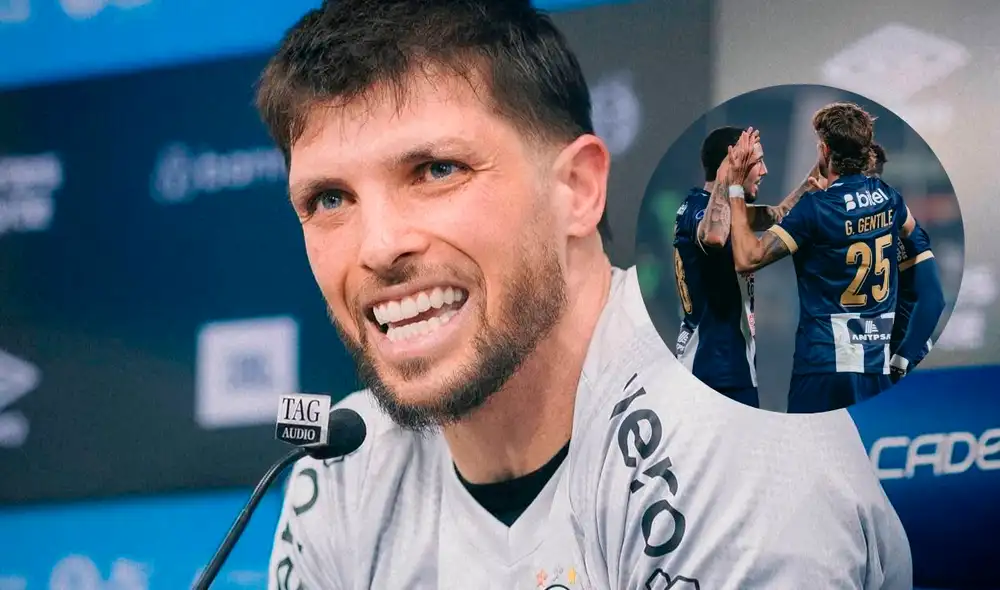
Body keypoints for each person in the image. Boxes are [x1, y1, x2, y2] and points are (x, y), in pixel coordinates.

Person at [258, 2, 911, 587]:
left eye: (436, 170)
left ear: (576, 190)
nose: (377, 246)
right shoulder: (343, 468)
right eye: (330, 199)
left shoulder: (727, 427)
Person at [727, 102, 918, 413]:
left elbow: (748, 259)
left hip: (824, 365)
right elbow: (911, 234)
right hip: (875, 364)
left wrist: (735, 188)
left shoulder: (816, 209)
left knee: (808, 456)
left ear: (825, 150)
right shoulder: (889, 198)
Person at [672, 126, 814, 408]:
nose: (764, 170)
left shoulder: (729, 211)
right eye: (757, 161)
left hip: (734, 367)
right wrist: (731, 175)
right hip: (712, 371)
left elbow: (777, 215)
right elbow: (713, 236)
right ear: (733, 161)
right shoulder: (697, 209)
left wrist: (810, 183)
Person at [868, 144, 946, 382]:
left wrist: (902, 358)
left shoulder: (900, 227)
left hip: (899, 360)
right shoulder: (829, 220)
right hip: (860, 360)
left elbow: (933, 299)